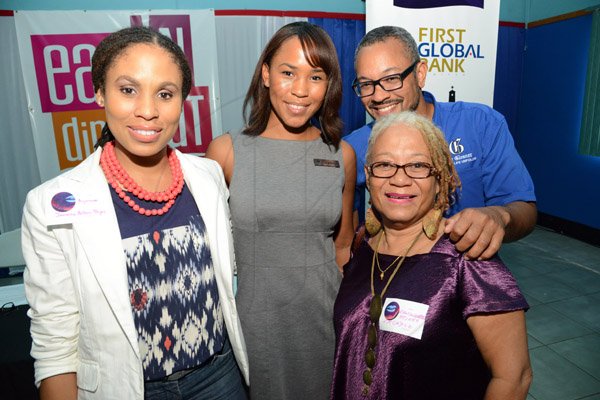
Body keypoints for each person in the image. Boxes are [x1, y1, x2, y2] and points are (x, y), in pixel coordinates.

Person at [21, 26, 248, 400]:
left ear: (182, 101)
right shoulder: (52, 203)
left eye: (165, 93)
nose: (147, 111)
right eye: (128, 90)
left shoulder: (207, 177)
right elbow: (54, 340)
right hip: (125, 389)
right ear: (99, 93)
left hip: (219, 377)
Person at [331, 111, 532, 399]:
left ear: (440, 179)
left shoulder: (467, 259)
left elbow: (514, 378)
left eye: (417, 165)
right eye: (385, 164)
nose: (400, 179)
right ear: (369, 174)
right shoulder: (362, 245)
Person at [206, 22, 356, 399]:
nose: (301, 91)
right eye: (289, 73)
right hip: (255, 322)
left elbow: (343, 248)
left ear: (329, 85)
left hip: (324, 318)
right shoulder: (225, 152)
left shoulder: (341, 154)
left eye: (316, 77)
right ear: (267, 74)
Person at [345, 25, 537, 260]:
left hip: (466, 275)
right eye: (366, 84)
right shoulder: (353, 147)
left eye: (392, 78)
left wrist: (499, 216)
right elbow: (344, 230)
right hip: (389, 278)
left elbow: (524, 209)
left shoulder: (479, 124)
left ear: (420, 73)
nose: (378, 95)